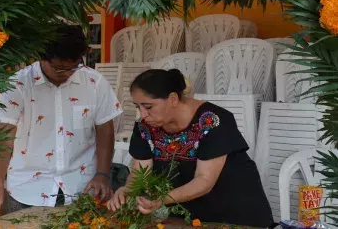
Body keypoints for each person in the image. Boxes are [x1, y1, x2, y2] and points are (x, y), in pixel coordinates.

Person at [107, 69, 274, 227]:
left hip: (234, 214)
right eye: (138, 107)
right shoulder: (145, 127)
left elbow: (204, 180)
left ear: (173, 99)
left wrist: (161, 199)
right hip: (185, 216)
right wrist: (127, 190)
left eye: (148, 106)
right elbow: (140, 173)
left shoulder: (211, 121)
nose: (143, 114)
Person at [0, 24, 122, 215]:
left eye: (73, 67)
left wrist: (103, 174)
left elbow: (105, 129)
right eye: (58, 68)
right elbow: (5, 134)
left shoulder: (95, 82)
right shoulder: (18, 84)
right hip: (27, 189)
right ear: (41, 57)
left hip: (82, 187)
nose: (67, 73)